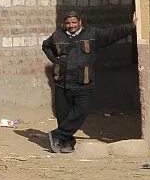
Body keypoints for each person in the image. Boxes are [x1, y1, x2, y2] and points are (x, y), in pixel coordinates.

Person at [42, 10, 134, 153]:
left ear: (80, 22)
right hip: (62, 82)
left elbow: (112, 34)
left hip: (83, 82)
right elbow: (46, 46)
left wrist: (131, 27)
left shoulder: (92, 34)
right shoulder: (57, 35)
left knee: (82, 111)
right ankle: (67, 143)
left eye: (74, 22)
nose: (71, 25)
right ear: (64, 24)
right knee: (63, 114)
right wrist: (56, 60)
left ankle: (57, 134)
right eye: (68, 23)